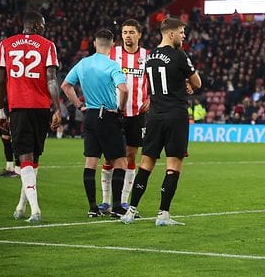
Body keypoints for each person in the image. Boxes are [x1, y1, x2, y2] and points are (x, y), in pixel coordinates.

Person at [120, 17, 201, 226]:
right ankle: (163, 214)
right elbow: (197, 82)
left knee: (146, 164)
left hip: (154, 117)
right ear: (171, 34)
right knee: (173, 166)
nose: (184, 36)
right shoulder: (179, 55)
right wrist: (188, 84)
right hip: (175, 116)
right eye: (181, 32)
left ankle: (131, 210)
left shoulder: (150, 57)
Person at [0, 10, 61, 223]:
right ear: (37, 25)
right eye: (43, 26)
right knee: (33, 159)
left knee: (25, 159)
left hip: (19, 107)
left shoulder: (5, 44)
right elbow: (51, 80)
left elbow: (0, 82)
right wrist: (58, 109)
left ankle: (35, 210)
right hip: (41, 108)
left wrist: (0, 111)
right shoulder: (48, 45)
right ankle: (22, 206)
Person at [59, 29, 129, 217]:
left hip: (89, 115)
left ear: (94, 44)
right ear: (112, 44)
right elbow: (124, 90)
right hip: (107, 116)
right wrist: (120, 110)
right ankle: (117, 207)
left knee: (91, 161)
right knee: (120, 161)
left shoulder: (83, 63)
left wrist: (79, 105)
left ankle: (92, 208)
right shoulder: (112, 65)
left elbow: (65, 85)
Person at [104, 19, 149, 210]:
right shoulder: (112, 54)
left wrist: (151, 98)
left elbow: (155, 78)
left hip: (137, 113)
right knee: (110, 157)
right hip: (114, 112)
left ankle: (123, 200)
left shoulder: (147, 56)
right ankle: (106, 201)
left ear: (139, 34)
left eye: (131, 32)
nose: (127, 36)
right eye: (124, 32)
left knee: (131, 156)